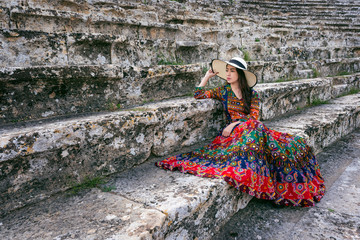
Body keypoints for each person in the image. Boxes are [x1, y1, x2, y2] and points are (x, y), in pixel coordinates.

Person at [155, 57, 325, 207]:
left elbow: (254, 117)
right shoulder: (223, 91)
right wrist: (207, 76)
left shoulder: (252, 94)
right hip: (238, 135)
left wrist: (234, 124)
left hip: (251, 129)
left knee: (293, 143)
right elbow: (198, 94)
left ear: (241, 74)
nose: (228, 74)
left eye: (232, 71)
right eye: (226, 71)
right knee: (255, 132)